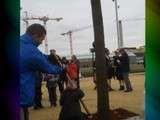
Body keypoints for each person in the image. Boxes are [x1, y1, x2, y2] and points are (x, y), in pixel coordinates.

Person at [20, 23, 63, 120]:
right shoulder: (31, 50)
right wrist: (62, 68)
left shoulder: (22, 43)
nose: (41, 42)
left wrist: (49, 57)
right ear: (35, 36)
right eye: (41, 39)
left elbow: (40, 56)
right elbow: (48, 68)